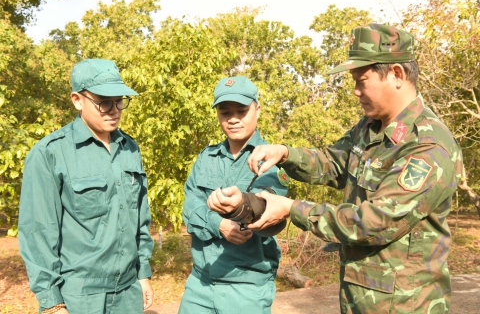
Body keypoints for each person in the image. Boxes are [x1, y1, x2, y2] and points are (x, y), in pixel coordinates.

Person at [208, 24, 464, 313]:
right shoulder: (370, 127)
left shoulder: (428, 145)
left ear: (396, 74)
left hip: (404, 304)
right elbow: (333, 162)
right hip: (360, 296)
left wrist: (292, 209)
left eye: (362, 80)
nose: (356, 91)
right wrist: (284, 154)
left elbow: (375, 221)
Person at [18, 59, 154, 314]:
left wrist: (142, 274)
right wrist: (52, 303)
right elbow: (38, 231)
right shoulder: (50, 153)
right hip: (79, 297)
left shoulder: (129, 148)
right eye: (103, 102)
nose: (114, 110)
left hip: (127, 293)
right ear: (77, 100)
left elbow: (140, 219)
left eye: (119, 101)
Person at [179, 76, 289, 314]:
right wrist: (218, 224)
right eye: (225, 112)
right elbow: (189, 208)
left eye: (242, 110)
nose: (233, 119)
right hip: (200, 284)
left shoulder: (269, 160)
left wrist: (241, 207)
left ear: (257, 110)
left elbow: (266, 210)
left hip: (246, 288)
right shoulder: (206, 158)